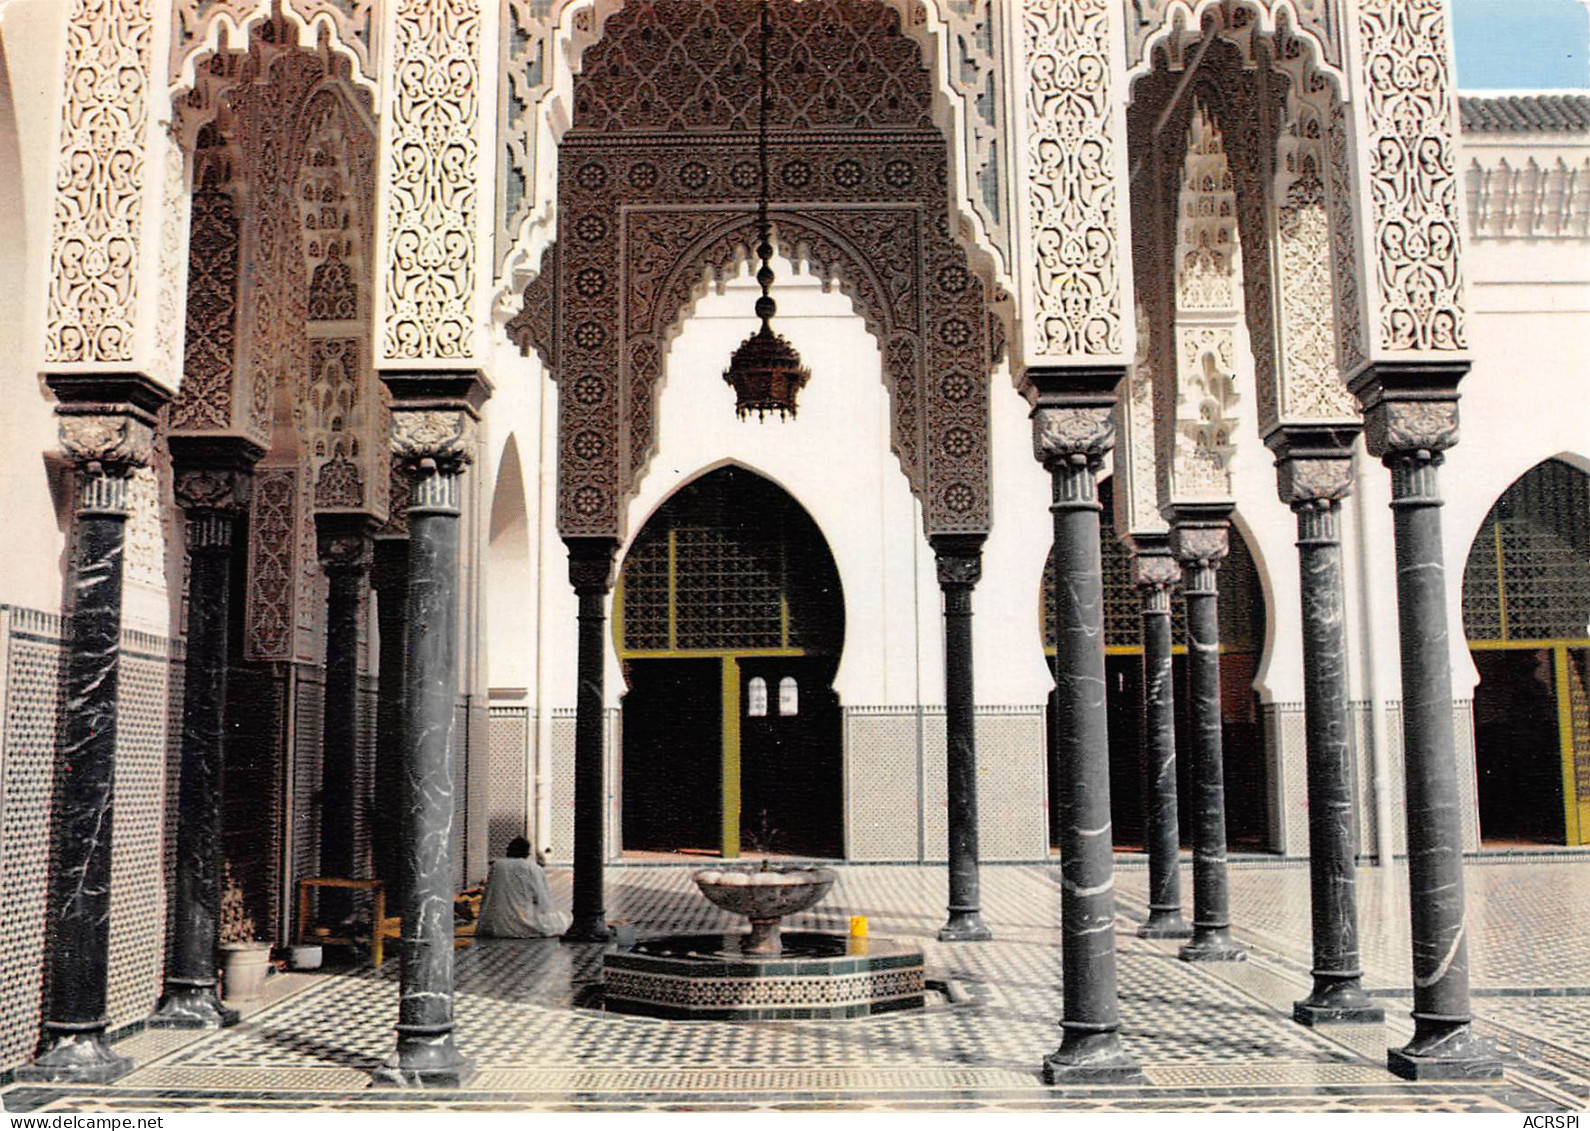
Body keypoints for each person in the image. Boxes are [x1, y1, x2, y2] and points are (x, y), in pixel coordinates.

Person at [475, 836, 572, 938]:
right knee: (561, 920)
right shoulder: (534, 868)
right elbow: (544, 903)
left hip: (493, 926)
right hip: (523, 923)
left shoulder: (496, 866)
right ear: (527, 853)